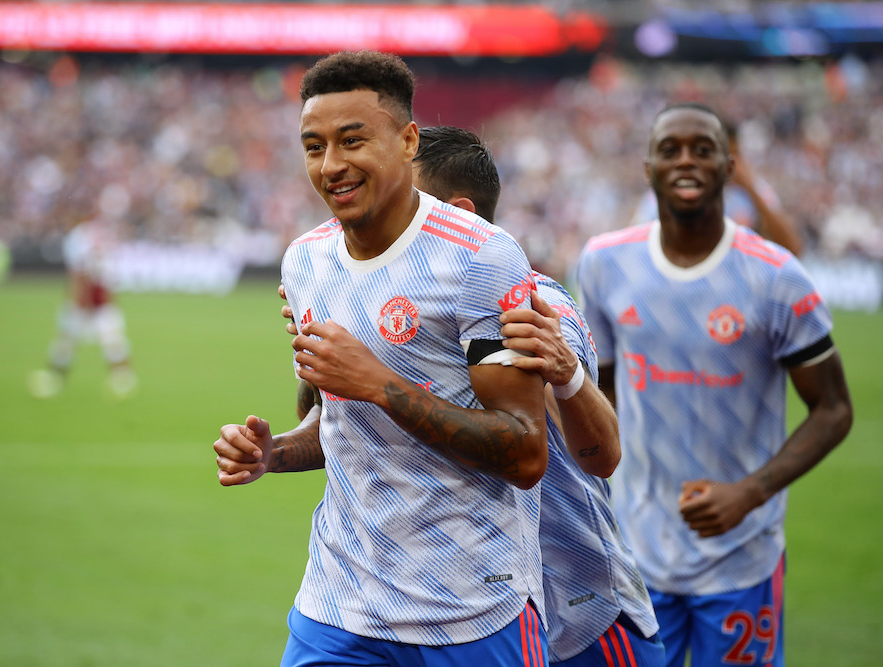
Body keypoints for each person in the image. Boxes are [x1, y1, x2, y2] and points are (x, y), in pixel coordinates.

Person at [279, 124, 664, 665]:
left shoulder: (534, 312)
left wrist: (567, 374)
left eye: (407, 198)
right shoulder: (373, 282)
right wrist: (324, 324)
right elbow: (334, 418)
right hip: (443, 600)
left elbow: (596, 455)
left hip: (579, 608)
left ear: (457, 212)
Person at [213, 51, 550, 665]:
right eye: (314, 146)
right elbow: (338, 424)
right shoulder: (306, 261)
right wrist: (275, 453)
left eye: (352, 141)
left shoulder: (481, 256)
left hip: (471, 610)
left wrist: (380, 383)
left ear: (407, 139)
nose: (331, 165)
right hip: (338, 606)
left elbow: (526, 452)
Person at [576, 102, 853, 667]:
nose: (686, 161)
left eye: (702, 149)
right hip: (635, 555)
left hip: (740, 557)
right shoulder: (604, 263)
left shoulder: (775, 275)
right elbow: (601, 399)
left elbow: (833, 410)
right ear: (647, 166)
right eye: (670, 149)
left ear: (730, 166)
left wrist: (750, 493)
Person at [630, 119, 805, 256]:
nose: (730, 164)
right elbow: (639, 246)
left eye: (736, 154)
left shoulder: (753, 189)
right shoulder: (673, 192)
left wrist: (751, 190)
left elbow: (792, 247)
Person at [27, 218, 137, 399]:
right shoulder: (96, 254)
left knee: (103, 342)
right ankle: (121, 379)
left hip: (93, 307)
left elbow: (83, 281)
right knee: (77, 343)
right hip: (96, 306)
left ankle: (121, 378)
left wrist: (81, 302)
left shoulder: (90, 256)